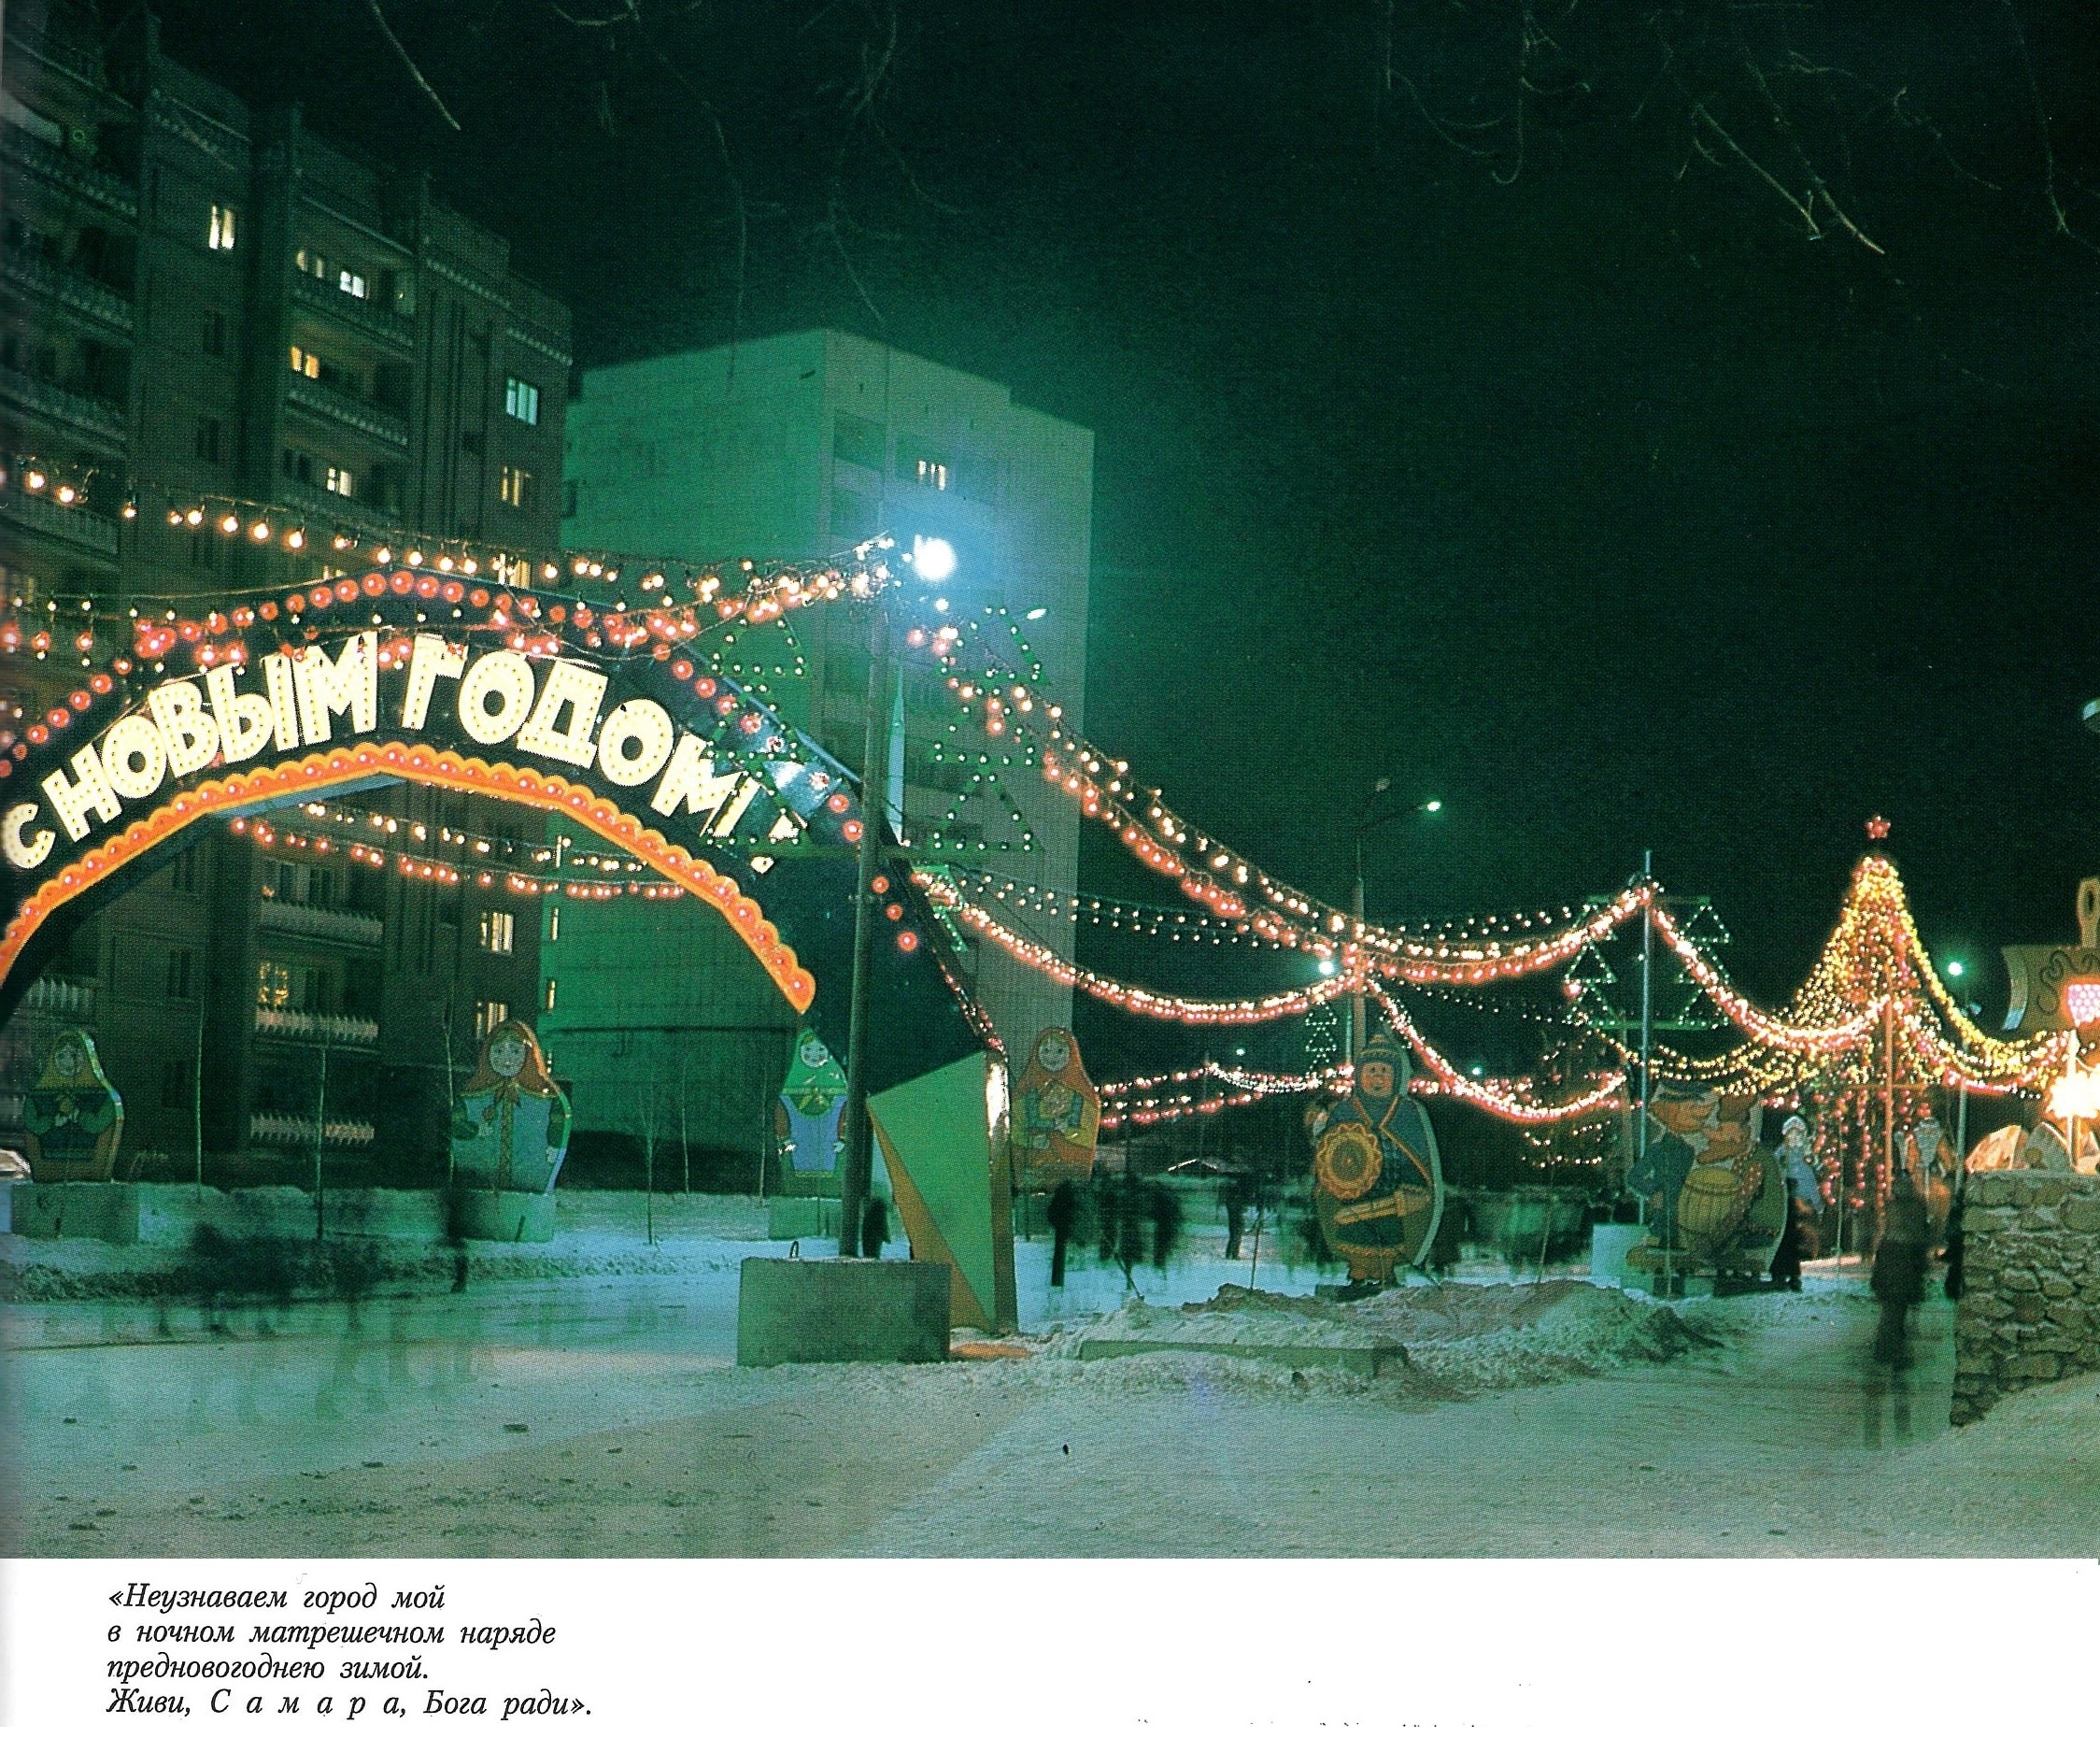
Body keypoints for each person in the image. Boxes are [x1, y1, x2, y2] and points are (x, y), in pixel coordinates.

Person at [1870, 1172, 1930, 1369]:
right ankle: (1892, 1351)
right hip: (1901, 1264)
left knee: (1892, 1312)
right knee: (1896, 1312)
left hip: (1896, 1264)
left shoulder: (1894, 1207)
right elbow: (1919, 1238)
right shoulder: (1913, 1208)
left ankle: (1887, 1349)